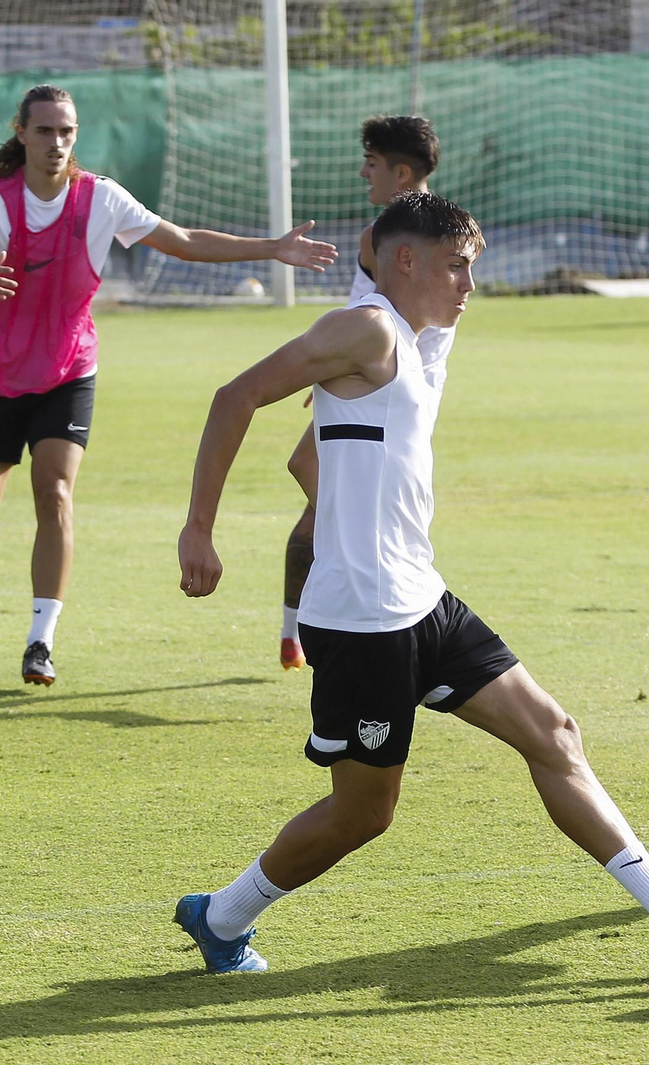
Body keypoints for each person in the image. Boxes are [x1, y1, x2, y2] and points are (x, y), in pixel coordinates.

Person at [173, 192, 649, 975]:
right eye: (457, 266)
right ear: (405, 260)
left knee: (553, 732)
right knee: (363, 814)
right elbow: (234, 396)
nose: (469, 285)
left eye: (472, 267)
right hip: (363, 622)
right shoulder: (368, 327)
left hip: (423, 599)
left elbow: (308, 458)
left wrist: (352, 495)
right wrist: (199, 527)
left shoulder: (416, 342)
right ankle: (222, 915)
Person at [0, 84, 336, 690]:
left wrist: (273, 248)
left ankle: (40, 644)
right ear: (22, 134)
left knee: (54, 490)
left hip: (68, 371)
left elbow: (183, 242)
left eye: (66, 131)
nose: (56, 142)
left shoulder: (101, 199)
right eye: (44, 131)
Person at [279, 116, 444, 672]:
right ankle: (308, 616)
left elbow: (395, 320)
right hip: (373, 372)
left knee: (315, 479)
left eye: (371, 162)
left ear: (400, 172)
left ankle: (340, 591)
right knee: (310, 473)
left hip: (393, 385)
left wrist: (346, 362)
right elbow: (367, 309)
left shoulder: (409, 239)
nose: (362, 171)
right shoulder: (406, 232)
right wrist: (335, 363)